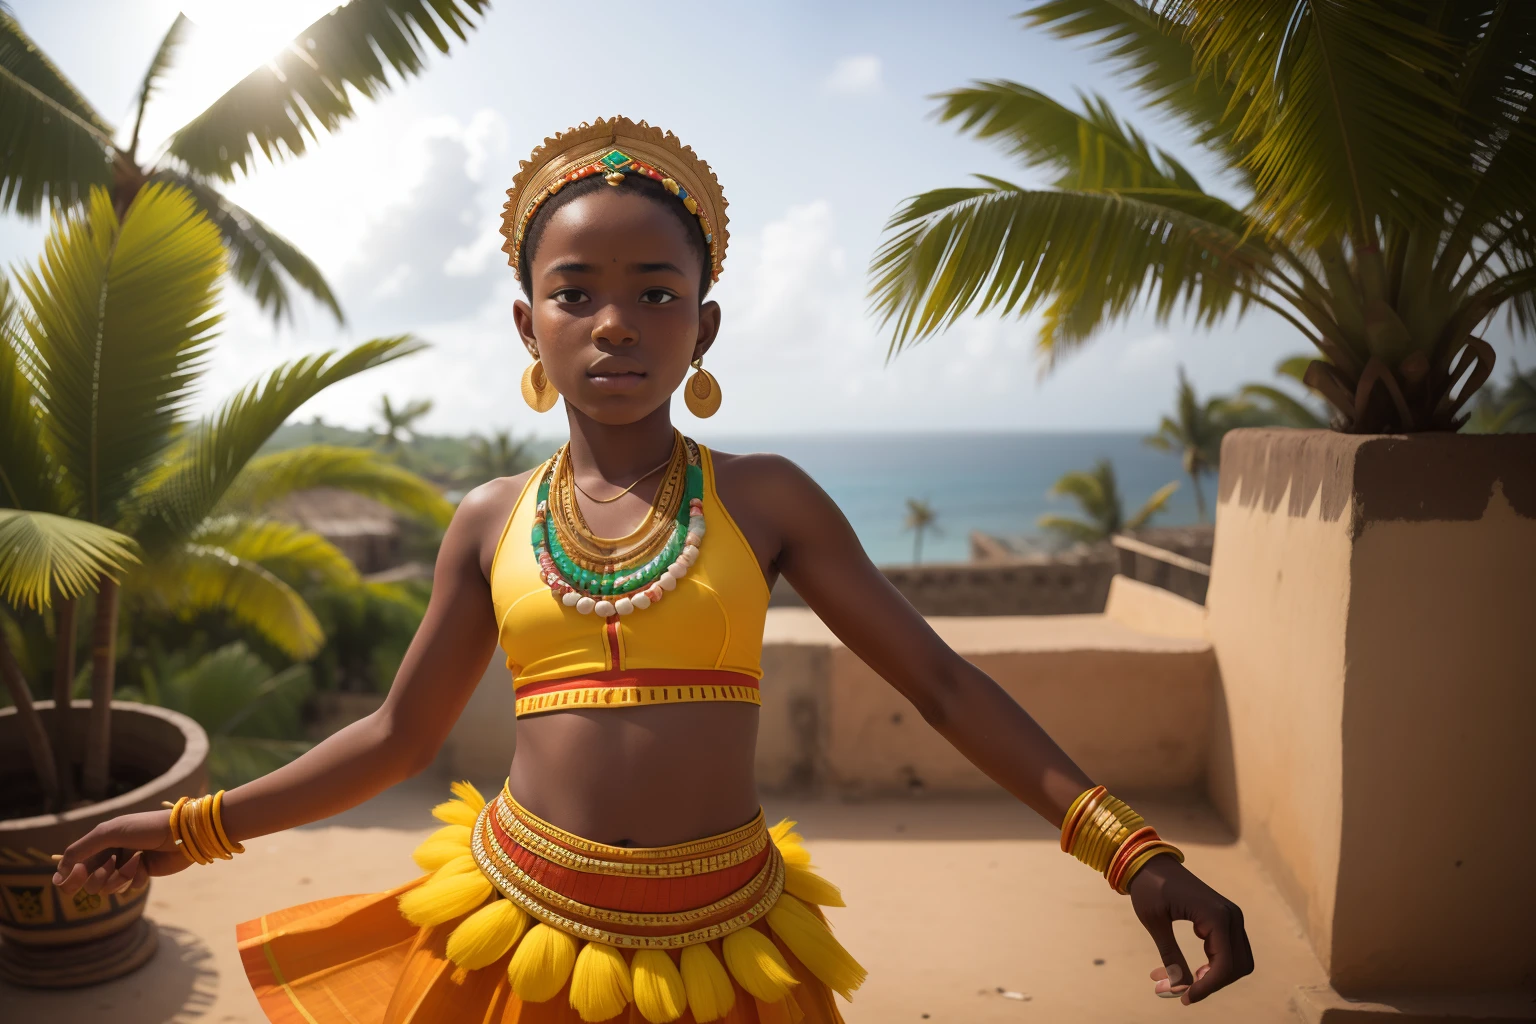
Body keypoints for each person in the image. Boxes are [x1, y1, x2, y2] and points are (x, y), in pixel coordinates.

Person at [53, 117, 1253, 1023]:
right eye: (575, 294)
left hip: (727, 942)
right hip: (517, 923)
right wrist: (193, 826)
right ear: (530, 324)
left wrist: (1131, 849)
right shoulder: (487, 520)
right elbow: (394, 737)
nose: (614, 324)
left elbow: (939, 686)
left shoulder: (766, 498)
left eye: (655, 293)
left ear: (703, 327)